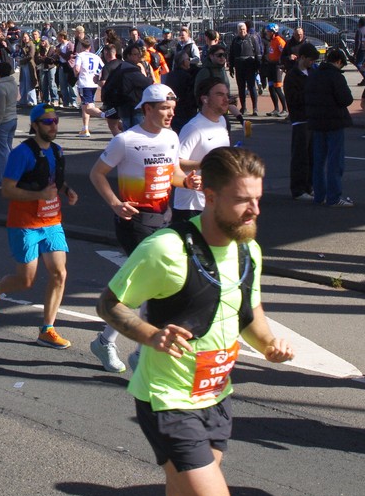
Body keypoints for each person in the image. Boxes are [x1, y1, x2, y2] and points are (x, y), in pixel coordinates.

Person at [96, 147, 294, 496]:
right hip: (168, 400)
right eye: (242, 200)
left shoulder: (248, 249)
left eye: (258, 199)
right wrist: (151, 335)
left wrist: (268, 344)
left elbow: (248, 311)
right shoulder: (166, 249)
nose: (255, 210)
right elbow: (109, 304)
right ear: (210, 196)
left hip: (216, 396)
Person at [88, 83, 200, 372]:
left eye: (172, 109)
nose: (170, 114)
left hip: (164, 216)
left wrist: (187, 182)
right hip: (134, 220)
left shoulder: (171, 137)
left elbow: (172, 173)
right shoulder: (125, 140)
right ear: (147, 109)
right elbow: (97, 174)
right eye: (164, 109)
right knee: (152, 283)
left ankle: (109, 342)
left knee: (150, 285)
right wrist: (115, 203)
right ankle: (134, 350)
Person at [0, 104, 79, 347]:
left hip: (52, 222)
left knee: (59, 273)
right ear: (34, 125)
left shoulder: (57, 151)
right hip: (24, 224)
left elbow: (55, 180)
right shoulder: (21, 153)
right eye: (47, 122)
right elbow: (7, 190)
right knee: (26, 280)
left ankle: (47, 329)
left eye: (55, 121)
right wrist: (39, 195)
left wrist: (67, 190)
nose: (53, 126)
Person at [172, 79, 232, 223]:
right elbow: (176, 163)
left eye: (227, 95)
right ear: (205, 99)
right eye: (219, 94)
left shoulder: (222, 121)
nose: (226, 99)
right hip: (191, 206)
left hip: (215, 202)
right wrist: (206, 164)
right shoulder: (194, 128)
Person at [304, 48, 353, 207]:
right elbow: (346, 99)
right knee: (335, 161)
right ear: (338, 61)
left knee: (318, 161)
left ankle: (319, 196)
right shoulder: (336, 76)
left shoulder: (314, 75)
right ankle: (334, 197)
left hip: (317, 122)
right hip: (334, 121)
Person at [283, 43, 317, 201]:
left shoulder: (312, 72)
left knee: (312, 156)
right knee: (300, 156)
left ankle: (309, 186)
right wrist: (310, 95)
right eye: (310, 60)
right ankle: (298, 189)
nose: (312, 63)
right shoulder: (292, 75)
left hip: (312, 119)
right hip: (300, 120)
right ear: (302, 58)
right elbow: (293, 99)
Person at [0, 58, 19, 189]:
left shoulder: (0, 87)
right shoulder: (13, 83)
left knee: (1, 153)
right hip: (12, 119)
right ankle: (13, 177)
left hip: (3, 121)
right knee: (8, 149)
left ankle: (3, 180)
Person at [227, 22, 259, 116]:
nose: (242, 31)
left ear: (246, 29)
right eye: (240, 29)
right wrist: (231, 67)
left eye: (244, 29)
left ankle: (255, 108)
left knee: (252, 87)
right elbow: (231, 54)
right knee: (241, 88)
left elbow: (257, 53)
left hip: (250, 66)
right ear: (238, 30)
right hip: (239, 67)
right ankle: (243, 107)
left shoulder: (252, 39)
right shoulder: (235, 41)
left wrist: (258, 66)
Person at [73, 38, 104, 137]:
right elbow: (102, 67)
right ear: (90, 47)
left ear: (81, 47)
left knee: (87, 107)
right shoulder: (95, 56)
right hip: (93, 83)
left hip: (84, 83)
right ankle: (85, 128)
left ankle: (105, 115)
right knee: (85, 106)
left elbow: (77, 69)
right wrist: (96, 74)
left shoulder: (80, 56)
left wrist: (75, 73)